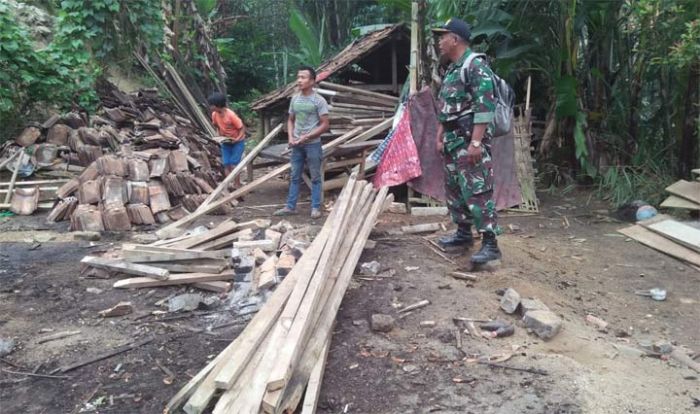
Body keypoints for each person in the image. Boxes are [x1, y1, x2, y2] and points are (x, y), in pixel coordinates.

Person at [432, 18, 502, 264]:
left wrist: (476, 143)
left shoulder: (475, 65)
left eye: (443, 36)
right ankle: (463, 234)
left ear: (455, 39)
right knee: (456, 191)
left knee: (477, 190)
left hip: (468, 141)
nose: (439, 41)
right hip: (452, 140)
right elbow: (446, 106)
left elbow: (485, 106)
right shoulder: (452, 69)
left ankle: (491, 243)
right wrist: (440, 134)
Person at [274, 65, 330, 219]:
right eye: (298, 77)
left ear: (312, 81)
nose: (299, 80)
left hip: (313, 144)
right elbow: (291, 120)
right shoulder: (295, 98)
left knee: (315, 177)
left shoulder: (319, 101)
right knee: (294, 176)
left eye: (303, 77)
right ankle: (290, 207)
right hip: (297, 145)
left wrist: (308, 136)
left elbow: (325, 124)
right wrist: (291, 137)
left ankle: (315, 207)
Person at [208, 92, 247, 189]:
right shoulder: (214, 114)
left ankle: (237, 185)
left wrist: (237, 139)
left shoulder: (231, 115)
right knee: (226, 163)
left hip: (237, 142)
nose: (210, 107)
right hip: (226, 141)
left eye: (212, 105)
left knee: (234, 164)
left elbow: (242, 128)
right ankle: (229, 184)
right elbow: (216, 125)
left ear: (217, 105)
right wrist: (219, 135)